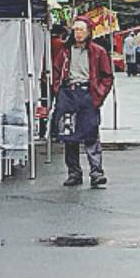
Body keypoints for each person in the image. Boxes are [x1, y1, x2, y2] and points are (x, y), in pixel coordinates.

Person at [51, 16, 114, 188]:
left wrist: (98, 96)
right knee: (69, 135)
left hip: (88, 94)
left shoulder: (98, 51)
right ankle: (74, 173)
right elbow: (56, 72)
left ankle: (96, 172)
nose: (78, 33)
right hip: (68, 94)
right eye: (76, 29)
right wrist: (58, 89)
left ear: (89, 32)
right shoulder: (64, 51)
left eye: (82, 30)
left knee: (91, 133)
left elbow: (107, 77)